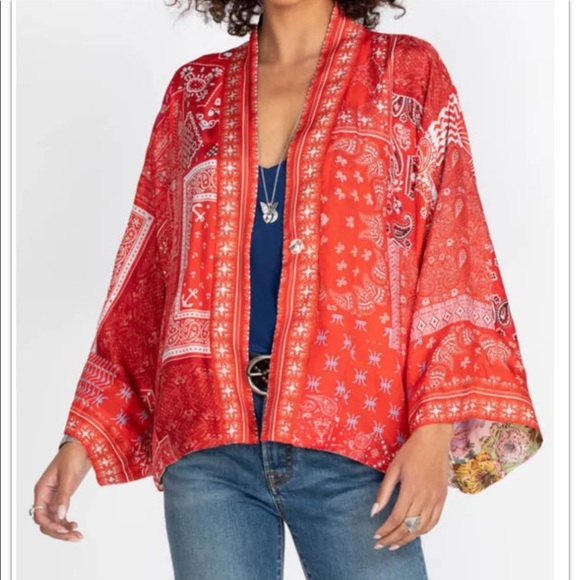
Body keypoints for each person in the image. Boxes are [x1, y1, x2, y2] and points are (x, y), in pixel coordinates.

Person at [31, 0, 544, 578]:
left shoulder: (405, 71)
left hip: (356, 441)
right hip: (209, 447)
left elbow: (454, 243)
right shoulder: (194, 91)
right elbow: (150, 274)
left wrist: (433, 431)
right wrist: (82, 440)